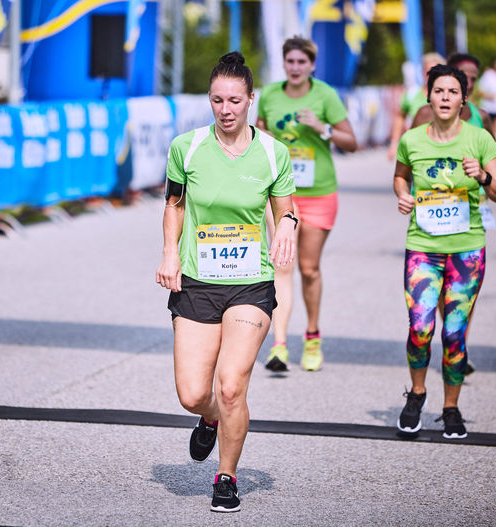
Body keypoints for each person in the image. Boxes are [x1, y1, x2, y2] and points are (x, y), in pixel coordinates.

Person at [155, 51, 296, 513]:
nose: (226, 109)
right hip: (197, 281)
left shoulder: (274, 151)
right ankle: (209, 419)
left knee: (232, 384)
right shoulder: (187, 147)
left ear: (251, 100)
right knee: (193, 393)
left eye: (235, 99)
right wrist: (170, 252)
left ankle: (226, 476)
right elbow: (174, 204)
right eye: (217, 100)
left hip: (250, 283)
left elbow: (285, 208)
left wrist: (289, 227)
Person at [393, 64, 496, 439]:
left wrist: (484, 177)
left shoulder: (479, 140)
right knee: (420, 328)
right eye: (438, 91)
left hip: (466, 250)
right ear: (428, 96)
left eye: (452, 92)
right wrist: (402, 195)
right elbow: (400, 175)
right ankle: (417, 394)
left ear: (464, 99)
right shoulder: (412, 140)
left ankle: (451, 407)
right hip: (423, 248)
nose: (445, 98)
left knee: (455, 333)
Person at [255, 36, 357, 372]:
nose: (296, 67)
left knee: (309, 269)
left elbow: (351, 142)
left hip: (319, 193)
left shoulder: (325, 95)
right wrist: (263, 136)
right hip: (283, 194)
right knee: (281, 265)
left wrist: (322, 127)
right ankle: (279, 345)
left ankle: (312, 336)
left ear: (312, 65)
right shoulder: (270, 95)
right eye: (290, 62)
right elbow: (259, 133)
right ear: (284, 64)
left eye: (302, 62)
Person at [387, 52, 446, 162]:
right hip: (417, 149)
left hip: (442, 148)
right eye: (428, 71)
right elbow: (400, 117)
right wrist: (394, 144)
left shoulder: (448, 96)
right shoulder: (412, 94)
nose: (431, 75)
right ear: (422, 72)